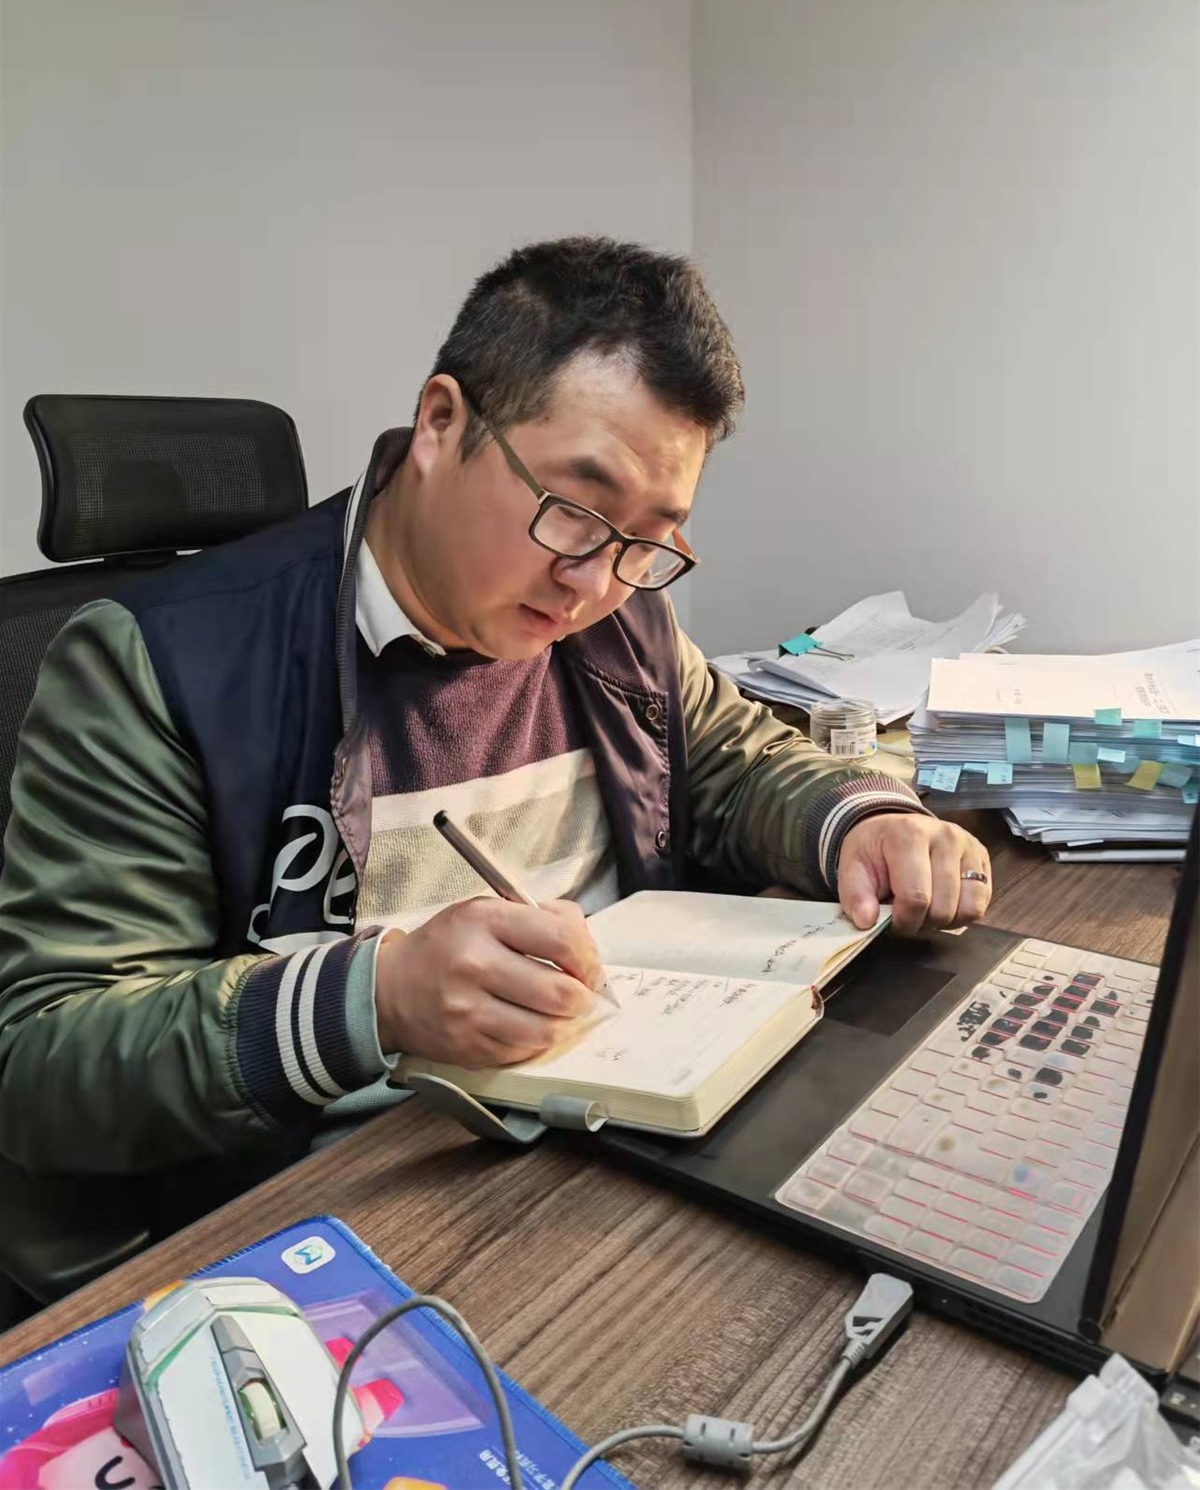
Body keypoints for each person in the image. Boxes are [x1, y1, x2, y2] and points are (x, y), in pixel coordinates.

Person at [0, 237, 991, 1183]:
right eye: (574, 510)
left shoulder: (619, 618)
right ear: (440, 424)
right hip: (332, 1194)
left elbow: (736, 764)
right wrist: (376, 999)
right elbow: (45, 1057)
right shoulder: (161, 663)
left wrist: (863, 818)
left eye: (647, 539)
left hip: (610, 1128)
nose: (594, 580)